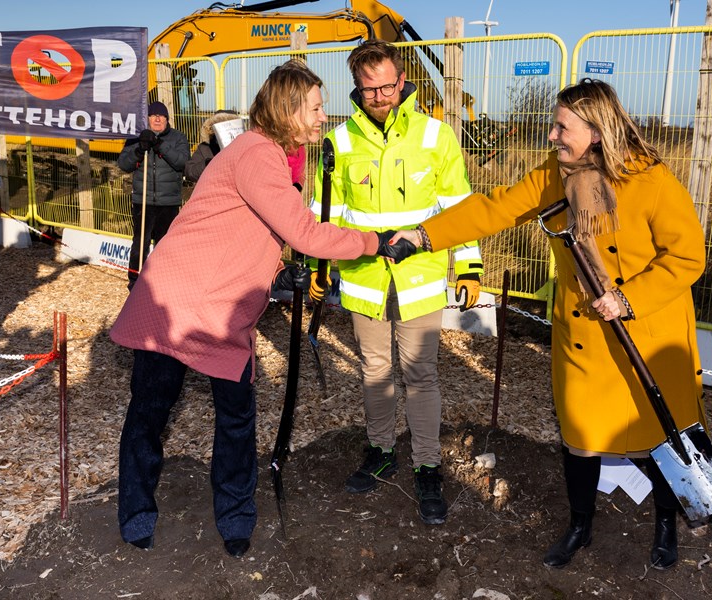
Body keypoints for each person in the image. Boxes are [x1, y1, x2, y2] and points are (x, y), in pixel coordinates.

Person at [391, 78, 707, 570]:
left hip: (648, 333)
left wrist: (627, 298)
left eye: (563, 127)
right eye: (554, 125)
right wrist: (425, 233)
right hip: (584, 335)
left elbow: (687, 257)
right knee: (580, 437)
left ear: (597, 131)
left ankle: (667, 524)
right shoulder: (552, 176)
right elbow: (493, 208)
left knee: (662, 436)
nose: (553, 136)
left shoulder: (652, 180)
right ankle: (580, 524)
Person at [108, 60, 415, 557]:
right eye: (316, 108)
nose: (323, 117)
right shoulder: (256, 153)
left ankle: (234, 516)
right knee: (151, 409)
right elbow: (304, 233)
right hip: (178, 298)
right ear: (289, 109)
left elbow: (253, 231)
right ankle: (137, 513)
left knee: (234, 415)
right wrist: (376, 242)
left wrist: (274, 274)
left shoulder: (270, 156)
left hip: (222, 305)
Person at [311, 40, 483, 527]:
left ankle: (427, 464)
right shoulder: (339, 142)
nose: (381, 96)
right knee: (374, 371)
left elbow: (458, 209)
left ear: (403, 79)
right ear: (357, 87)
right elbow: (324, 214)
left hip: (421, 279)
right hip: (365, 282)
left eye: (388, 85)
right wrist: (318, 265)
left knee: (421, 375)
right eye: (370, 89)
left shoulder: (436, 135)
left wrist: (468, 267)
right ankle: (381, 449)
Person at [117, 101, 189, 289]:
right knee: (139, 243)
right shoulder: (135, 138)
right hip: (143, 200)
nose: (157, 118)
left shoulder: (178, 138)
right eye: (153, 115)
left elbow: (182, 163)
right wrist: (140, 149)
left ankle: (161, 281)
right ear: (147, 119)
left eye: (161, 115)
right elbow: (124, 164)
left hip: (168, 202)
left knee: (164, 245)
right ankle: (135, 281)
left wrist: (159, 145)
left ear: (167, 119)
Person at [184, 109, 241, 183]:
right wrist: (209, 163)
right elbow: (190, 172)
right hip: (213, 191)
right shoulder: (205, 148)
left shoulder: (245, 147)